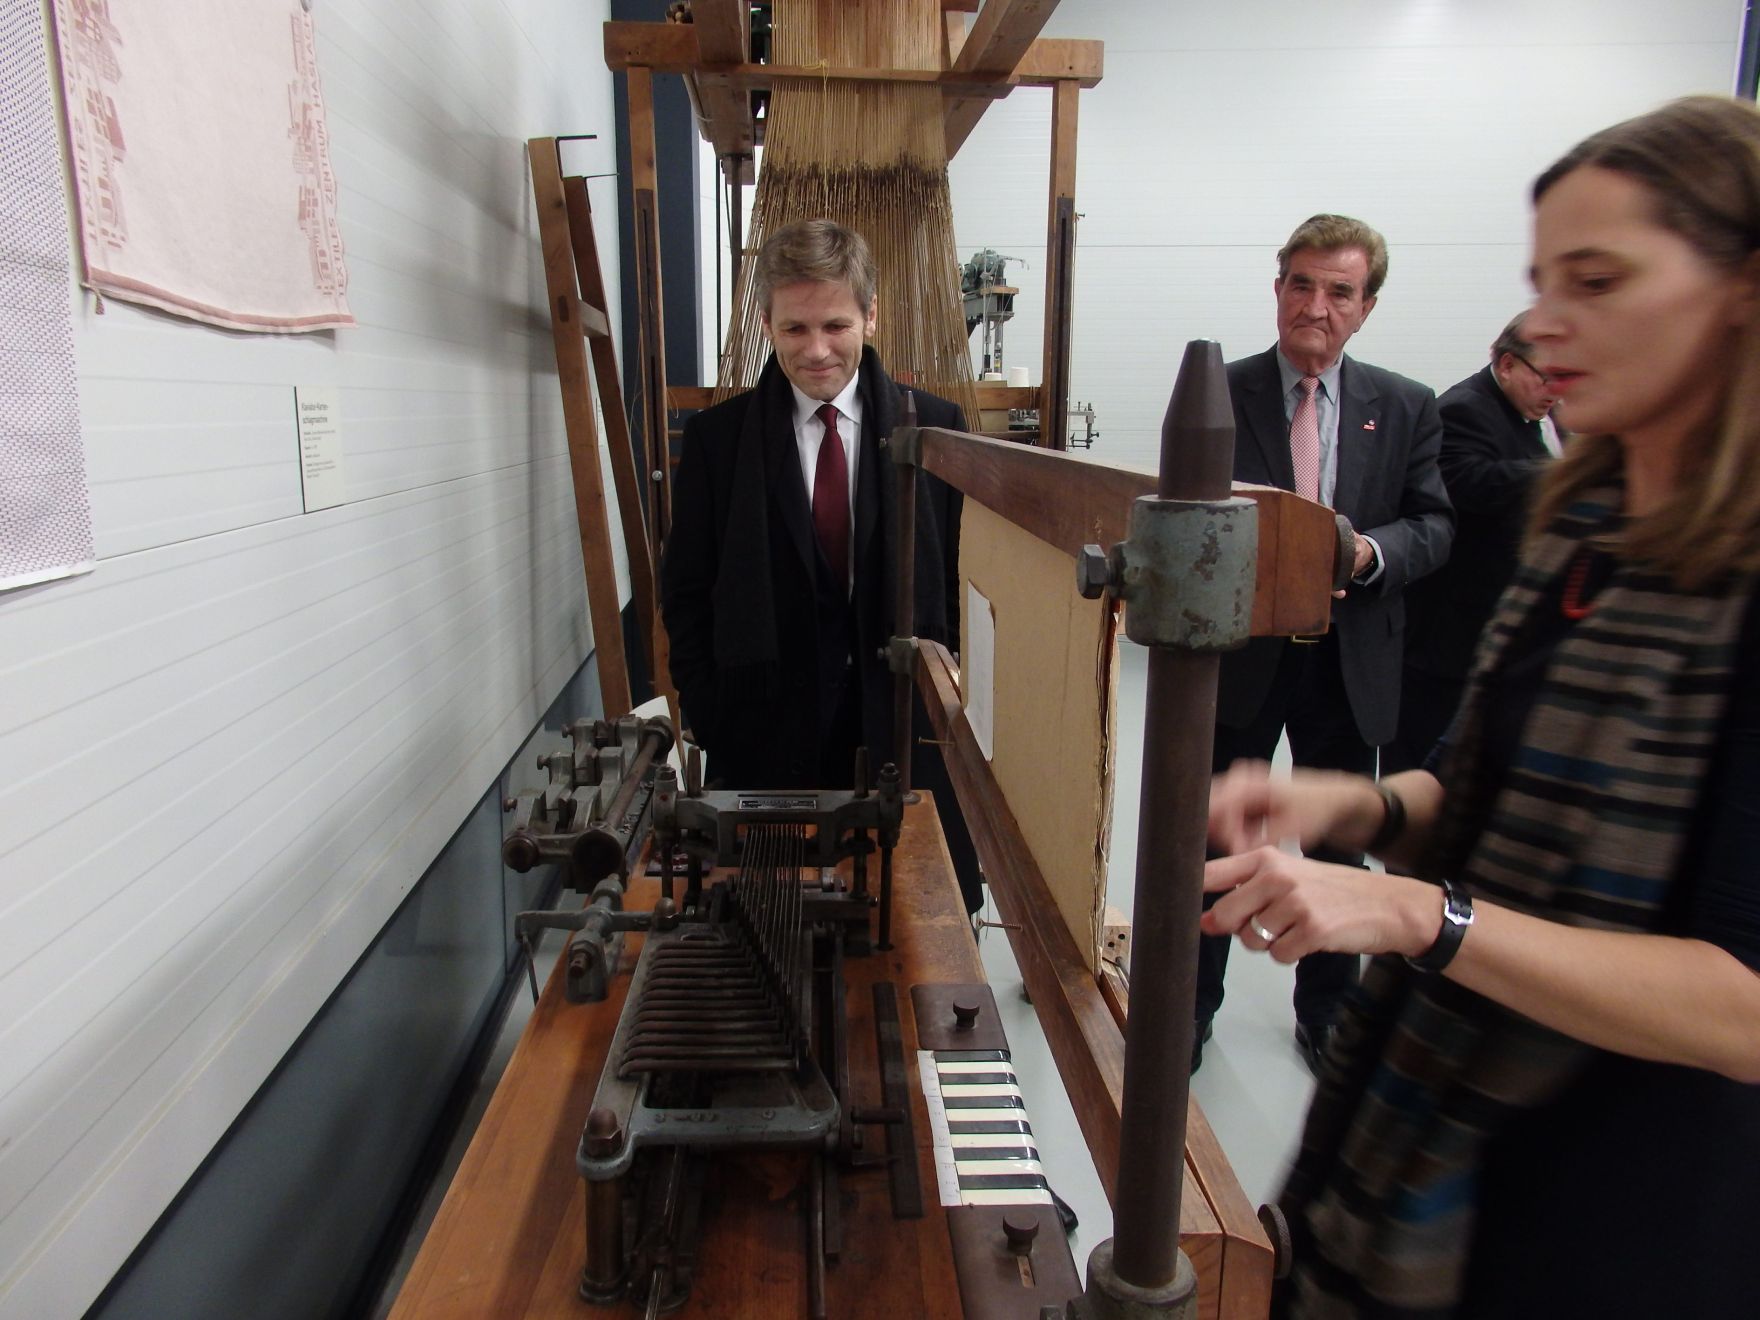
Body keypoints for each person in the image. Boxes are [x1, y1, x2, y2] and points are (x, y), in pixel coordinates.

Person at [1201, 95, 1760, 1318]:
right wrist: (1341, 797)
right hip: (1424, 1157)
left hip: (1608, 1212)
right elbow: (1463, 785)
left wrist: (1418, 916)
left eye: (1598, 280)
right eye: (1544, 280)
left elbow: (1739, 1006)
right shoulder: (1581, 542)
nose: (1546, 326)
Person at [1195, 215, 1454, 1074]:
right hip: (1244, 657)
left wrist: (1371, 554)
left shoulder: (1406, 405)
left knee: (1339, 842)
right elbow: (1183, 510)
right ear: (1277, 291)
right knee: (1216, 838)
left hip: (1351, 663)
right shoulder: (1217, 394)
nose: (1316, 305)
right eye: (1300, 285)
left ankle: (1329, 1014)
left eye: (1338, 291)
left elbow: (1434, 525)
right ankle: (1187, 1014)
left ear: (1366, 306)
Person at [660, 218, 981, 909]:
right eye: (794, 329)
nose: (816, 351)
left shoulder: (937, 432)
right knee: (765, 923)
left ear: (871, 316)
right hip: (764, 739)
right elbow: (686, 593)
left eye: (835, 325)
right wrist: (712, 712)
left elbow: (962, 585)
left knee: (912, 927)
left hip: (900, 728)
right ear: (767, 324)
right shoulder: (719, 444)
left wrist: (951, 701)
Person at [1386, 314, 1563, 774]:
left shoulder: (1522, 414)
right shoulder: (1463, 409)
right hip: (1442, 644)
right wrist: (1567, 474)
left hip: (1481, 636)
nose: (1556, 392)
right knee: (1426, 776)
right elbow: (1471, 482)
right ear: (1507, 364)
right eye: (1547, 378)